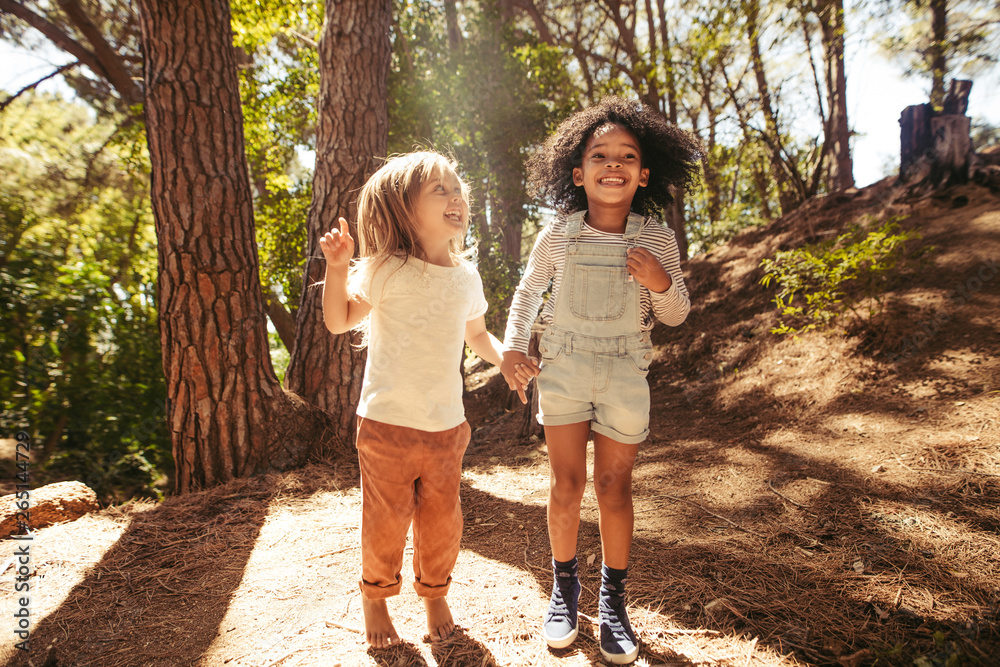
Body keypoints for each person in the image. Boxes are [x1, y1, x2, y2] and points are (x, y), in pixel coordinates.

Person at [500, 97, 702, 664]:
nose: (613, 163)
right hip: (562, 369)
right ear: (578, 172)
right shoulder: (558, 235)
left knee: (615, 488)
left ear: (643, 174)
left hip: (624, 373)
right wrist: (515, 347)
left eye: (626, 156)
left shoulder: (656, 238)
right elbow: (527, 293)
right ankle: (565, 590)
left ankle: (614, 600)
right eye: (600, 155)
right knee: (566, 486)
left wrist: (662, 283)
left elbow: (677, 314)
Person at [320, 151, 525, 649]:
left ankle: (435, 593)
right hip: (386, 424)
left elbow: (478, 336)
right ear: (404, 207)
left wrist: (506, 359)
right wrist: (339, 267)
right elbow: (338, 320)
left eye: (459, 189)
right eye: (440, 190)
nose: (456, 198)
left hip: (446, 427)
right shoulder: (387, 269)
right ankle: (376, 594)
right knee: (386, 522)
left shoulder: (466, 278)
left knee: (441, 521)